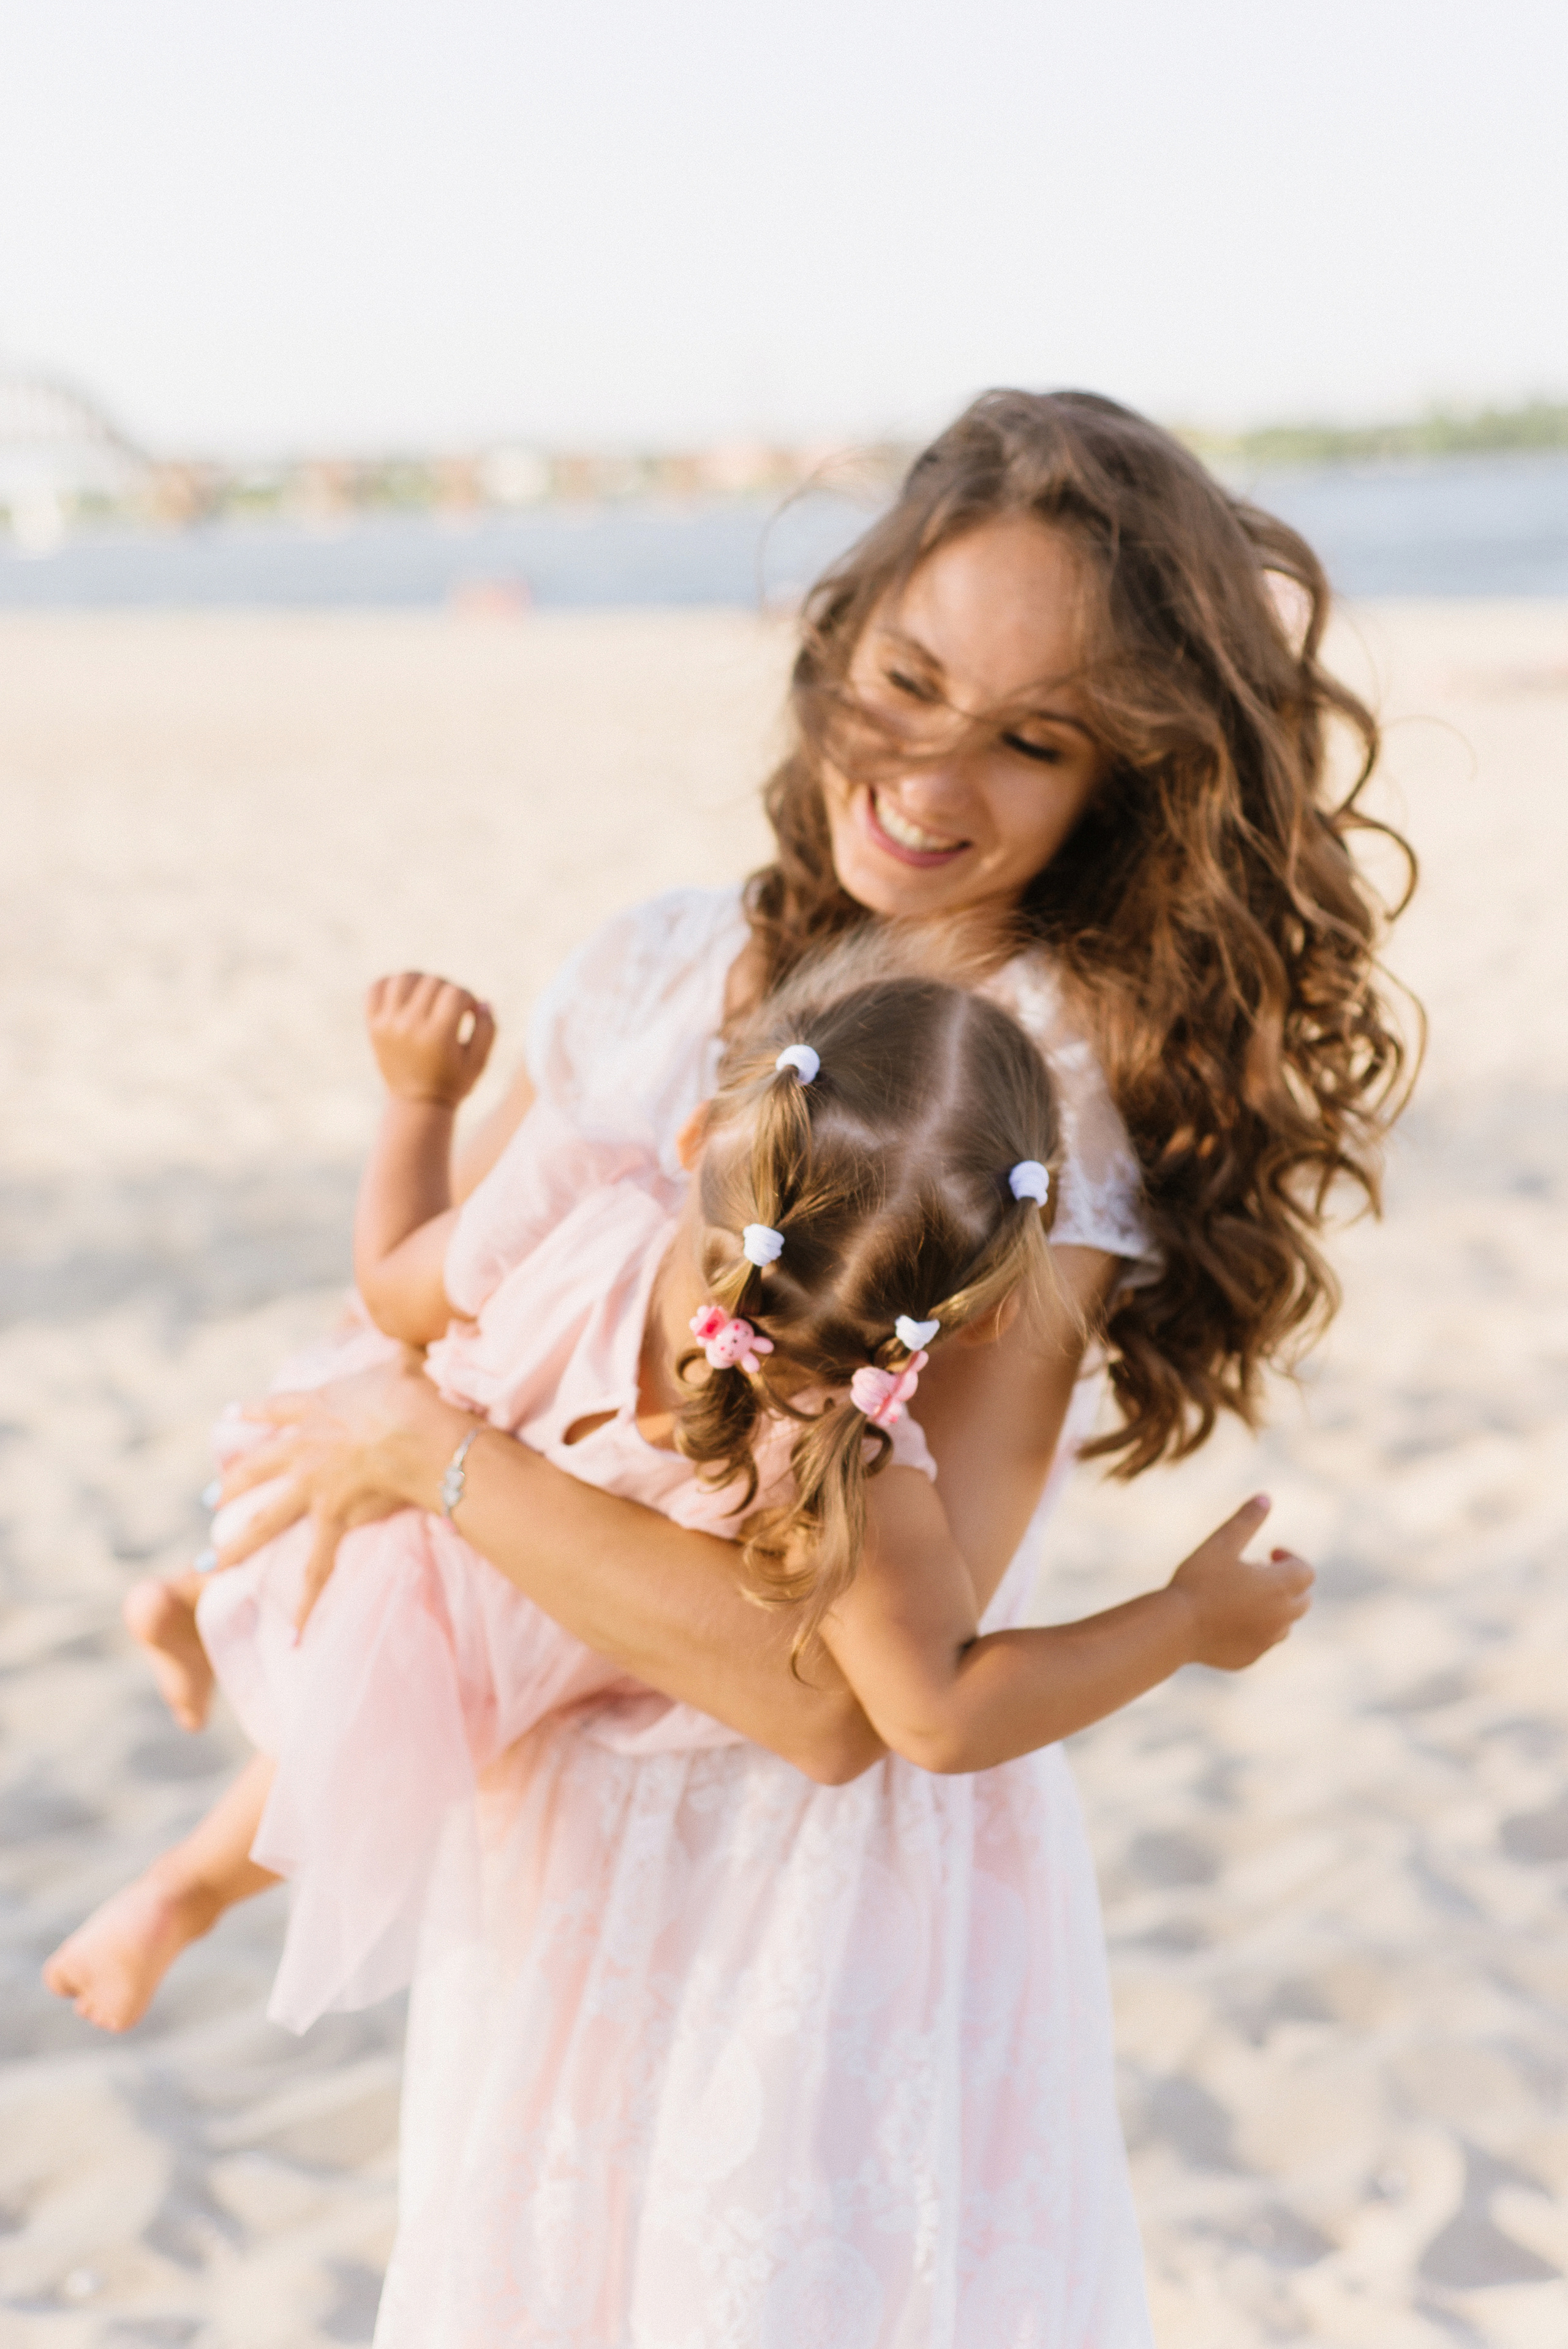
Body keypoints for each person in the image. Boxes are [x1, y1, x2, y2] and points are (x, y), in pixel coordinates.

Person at [66, 388, 1414, 2341]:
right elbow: (446, 1311)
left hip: (800, 1909)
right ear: (838, 635)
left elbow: (836, 1697)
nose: (932, 783)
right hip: (555, 1864)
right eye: (907, 682)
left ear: (1121, 781)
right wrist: (407, 1414)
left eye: (1030, 743)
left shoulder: (1020, 1103)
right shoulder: (643, 964)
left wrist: (433, 1464)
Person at [48, 951, 1311, 2056]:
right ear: (974, 1312)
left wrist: (418, 1102)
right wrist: (1182, 1623)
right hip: (455, 1579)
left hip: (386, 1508)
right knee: (369, 1688)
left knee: (341, 1570)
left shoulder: (581, 1203)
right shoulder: (856, 1479)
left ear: (703, 1135)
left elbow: (389, 1294)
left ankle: (195, 1606)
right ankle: (180, 1890)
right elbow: (934, 1718)